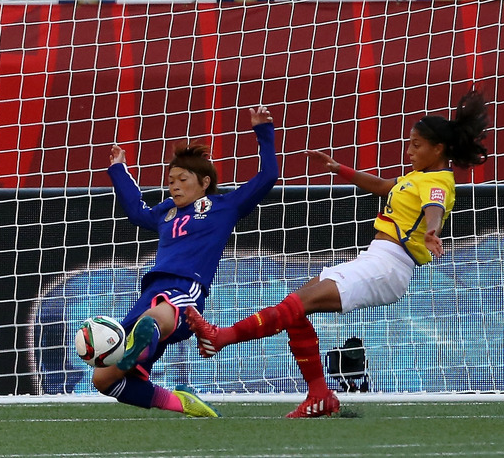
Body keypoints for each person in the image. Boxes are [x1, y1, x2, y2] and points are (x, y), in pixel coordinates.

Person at [186, 90, 489, 418]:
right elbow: (385, 187)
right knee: (295, 309)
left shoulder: (438, 182)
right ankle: (320, 395)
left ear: (438, 148)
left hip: (389, 266)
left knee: (295, 305)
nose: (409, 150)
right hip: (375, 258)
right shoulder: (418, 177)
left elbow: (435, 207)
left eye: (416, 144)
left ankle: (222, 337)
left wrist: (433, 230)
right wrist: (337, 168)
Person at [92, 105, 278, 418]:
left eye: (182, 179)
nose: (174, 185)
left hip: (184, 290)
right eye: (170, 180)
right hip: (150, 294)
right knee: (103, 379)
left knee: (151, 320)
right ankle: (180, 402)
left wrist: (263, 132)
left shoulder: (223, 207)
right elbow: (137, 212)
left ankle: (139, 348)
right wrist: (118, 171)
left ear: (204, 182)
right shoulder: (166, 211)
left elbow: (268, 176)